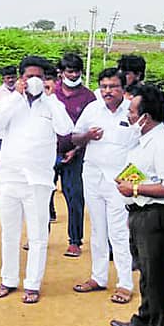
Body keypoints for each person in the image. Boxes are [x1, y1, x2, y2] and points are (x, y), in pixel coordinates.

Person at [0, 56, 74, 304]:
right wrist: (16, 96)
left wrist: (50, 97)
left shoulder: (52, 104)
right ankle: (8, 279)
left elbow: (65, 129)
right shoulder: (10, 101)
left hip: (38, 181)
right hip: (8, 178)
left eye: (38, 76)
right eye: (28, 77)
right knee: (9, 232)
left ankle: (33, 284)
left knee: (37, 236)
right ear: (21, 78)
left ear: (46, 79)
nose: (33, 81)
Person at [111, 83, 164, 326]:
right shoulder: (146, 140)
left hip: (158, 217)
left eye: (132, 110)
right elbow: (146, 172)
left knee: (158, 279)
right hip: (142, 214)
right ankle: (143, 320)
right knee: (146, 273)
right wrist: (128, 179)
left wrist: (134, 189)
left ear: (147, 115)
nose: (128, 115)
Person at [69, 68, 135, 304]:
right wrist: (87, 136)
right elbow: (74, 138)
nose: (108, 91)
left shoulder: (133, 112)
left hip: (120, 182)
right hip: (93, 176)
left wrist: (132, 182)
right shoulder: (92, 108)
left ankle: (125, 283)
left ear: (122, 88)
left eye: (113, 87)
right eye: (104, 86)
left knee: (118, 231)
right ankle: (98, 278)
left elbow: (143, 149)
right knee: (97, 229)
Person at [53, 53, 96, 258]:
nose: (74, 74)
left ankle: (75, 241)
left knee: (75, 197)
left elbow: (92, 129)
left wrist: (75, 149)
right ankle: (39, 235)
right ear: (61, 73)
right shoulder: (51, 93)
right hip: (48, 154)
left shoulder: (89, 97)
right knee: (42, 196)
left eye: (77, 71)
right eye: (69, 71)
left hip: (77, 155)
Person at [0, 66, 18, 155]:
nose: (10, 80)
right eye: (8, 78)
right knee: (3, 161)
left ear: (16, 77)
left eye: (13, 77)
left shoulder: (22, 91)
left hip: (18, 134)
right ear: (3, 79)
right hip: (1, 134)